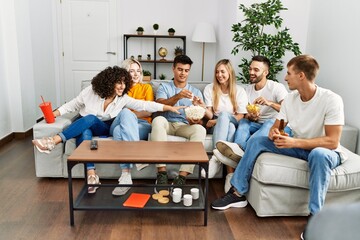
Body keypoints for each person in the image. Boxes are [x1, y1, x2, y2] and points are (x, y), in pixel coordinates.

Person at [210, 55, 345, 240]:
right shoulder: (291, 100)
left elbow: (332, 142)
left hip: (324, 151)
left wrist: (295, 142)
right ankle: (237, 193)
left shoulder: (331, 100)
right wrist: (275, 134)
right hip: (298, 146)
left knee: (319, 155)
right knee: (258, 141)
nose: (285, 77)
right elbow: (276, 127)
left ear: (301, 76)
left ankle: (316, 218)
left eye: (289, 73)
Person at [32, 66, 184, 195]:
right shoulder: (90, 92)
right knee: (86, 128)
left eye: (125, 83)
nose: (122, 86)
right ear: (108, 82)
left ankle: (53, 141)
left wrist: (168, 107)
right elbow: (70, 106)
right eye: (119, 82)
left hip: (108, 127)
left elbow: (145, 105)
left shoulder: (122, 98)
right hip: (90, 125)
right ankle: (91, 175)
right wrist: (53, 114)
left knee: (124, 114)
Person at [212, 56, 290, 192]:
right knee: (243, 123)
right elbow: (246, 114)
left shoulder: (276, 87)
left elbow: (288, 109)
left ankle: (241, 157)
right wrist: (252, 116)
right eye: (250, 69)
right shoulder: (247, 90)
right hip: (255, 122)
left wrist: (269, 103)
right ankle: (239, 149)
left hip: (272, 122)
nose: (251, 72)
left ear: (266, 72)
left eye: (256, 70)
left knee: (265, 127)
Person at [151, 55, 210, 191]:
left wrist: (196, 120)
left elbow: (200, 119)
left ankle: (182, 176)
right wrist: (178, 96)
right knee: (158, 120)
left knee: (200, 130)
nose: (183, 73)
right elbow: (159, 105)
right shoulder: (164, 87)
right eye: (180, 69)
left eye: (186, 70)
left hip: (184, 126)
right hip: (167, 123)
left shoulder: (195, 92)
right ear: (173, 69)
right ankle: (161, 173)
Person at [109, 59, 154, 196]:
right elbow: (112, 111)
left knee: (119, 130)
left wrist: (129, 115)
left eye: (138, 71)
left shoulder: (146, 88)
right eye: (131, 71)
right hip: (117, 121)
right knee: (125, 113)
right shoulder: (120, 89)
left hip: (143, 125)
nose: (135, 74)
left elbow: (149, 111)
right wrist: (128, 114)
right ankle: (137, 157)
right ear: (124, 72)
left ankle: (126, 175)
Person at [200, 59, 248, 189]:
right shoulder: (210, 88)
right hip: (217, 127)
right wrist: (202, 107)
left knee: (227, 118)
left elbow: (240, 116)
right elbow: (209, 115)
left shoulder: (239, 91)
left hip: (232, 120)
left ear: (230, 72)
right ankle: (230, 176)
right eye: (217, 72)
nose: (219, 75)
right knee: (230, 128)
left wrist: (220, 118)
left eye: (222, 71)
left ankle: (216, 156)